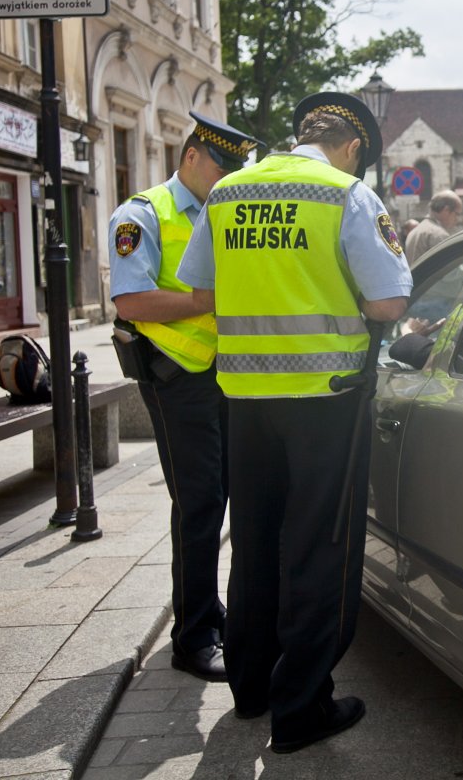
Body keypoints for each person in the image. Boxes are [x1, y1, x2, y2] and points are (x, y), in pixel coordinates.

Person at [178, 91, 412, 754]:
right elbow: (390, 302)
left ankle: (250, 688)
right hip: (324, 399)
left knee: (253, 544)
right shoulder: (344, 195)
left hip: (246, 399)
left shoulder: (227, 193)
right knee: (319, 549)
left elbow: (201, 292)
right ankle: (302, 708)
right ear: (352, 147)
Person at [108, 111, 259, 683]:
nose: (225, 179)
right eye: (219, 166)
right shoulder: (143, 214)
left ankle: (209, 612)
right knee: (199, 506)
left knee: (220, 498)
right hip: (175, 379)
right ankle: (192, 638)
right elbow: (131, 301)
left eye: (233, 170)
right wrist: (206, 302)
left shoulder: (223, 210)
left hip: (224, 375)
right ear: (191, 156)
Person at [404, 190, 463, 260]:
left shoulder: (414, 231)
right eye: (457, 214)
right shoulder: (439, 235)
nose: (457, 219)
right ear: (446, 210)